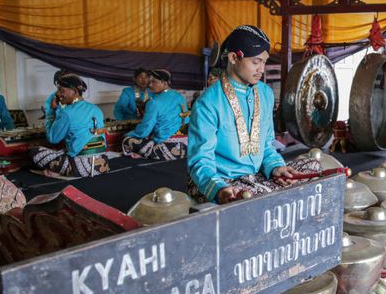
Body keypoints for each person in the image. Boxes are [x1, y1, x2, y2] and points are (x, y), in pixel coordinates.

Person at [187, 25, 318, 204]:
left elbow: (266, 145)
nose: (261, 69)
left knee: (313, 167)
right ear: (234, 58)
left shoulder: (265, 93)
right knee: (251, 197)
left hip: (255, 178)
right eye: (256, 62)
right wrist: (219, 189)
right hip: (224, 182)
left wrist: (275, 167)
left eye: (264, 62)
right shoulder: (208, 103)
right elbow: (201, 161)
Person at [30, 74, 110, 177]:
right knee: (65, 150)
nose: (58, 94)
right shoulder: (96, 109)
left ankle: (63, 171)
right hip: (102, 164)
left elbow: (53, 138)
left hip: (81, 168)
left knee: (33, 152)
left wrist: (51, 112)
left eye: (61, 90)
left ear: (75, 92)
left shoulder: (67, 113)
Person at [121, 69, 188, 160]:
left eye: (153, 82)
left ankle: (145, 154)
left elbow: (145, 130)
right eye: (150, 81)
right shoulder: (179, 96)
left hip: (166, 149)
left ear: (164, 83)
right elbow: (186, 120)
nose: (150, 85)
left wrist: (129, 134)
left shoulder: (154, 102)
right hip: (185, 147)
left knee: (127, 140)